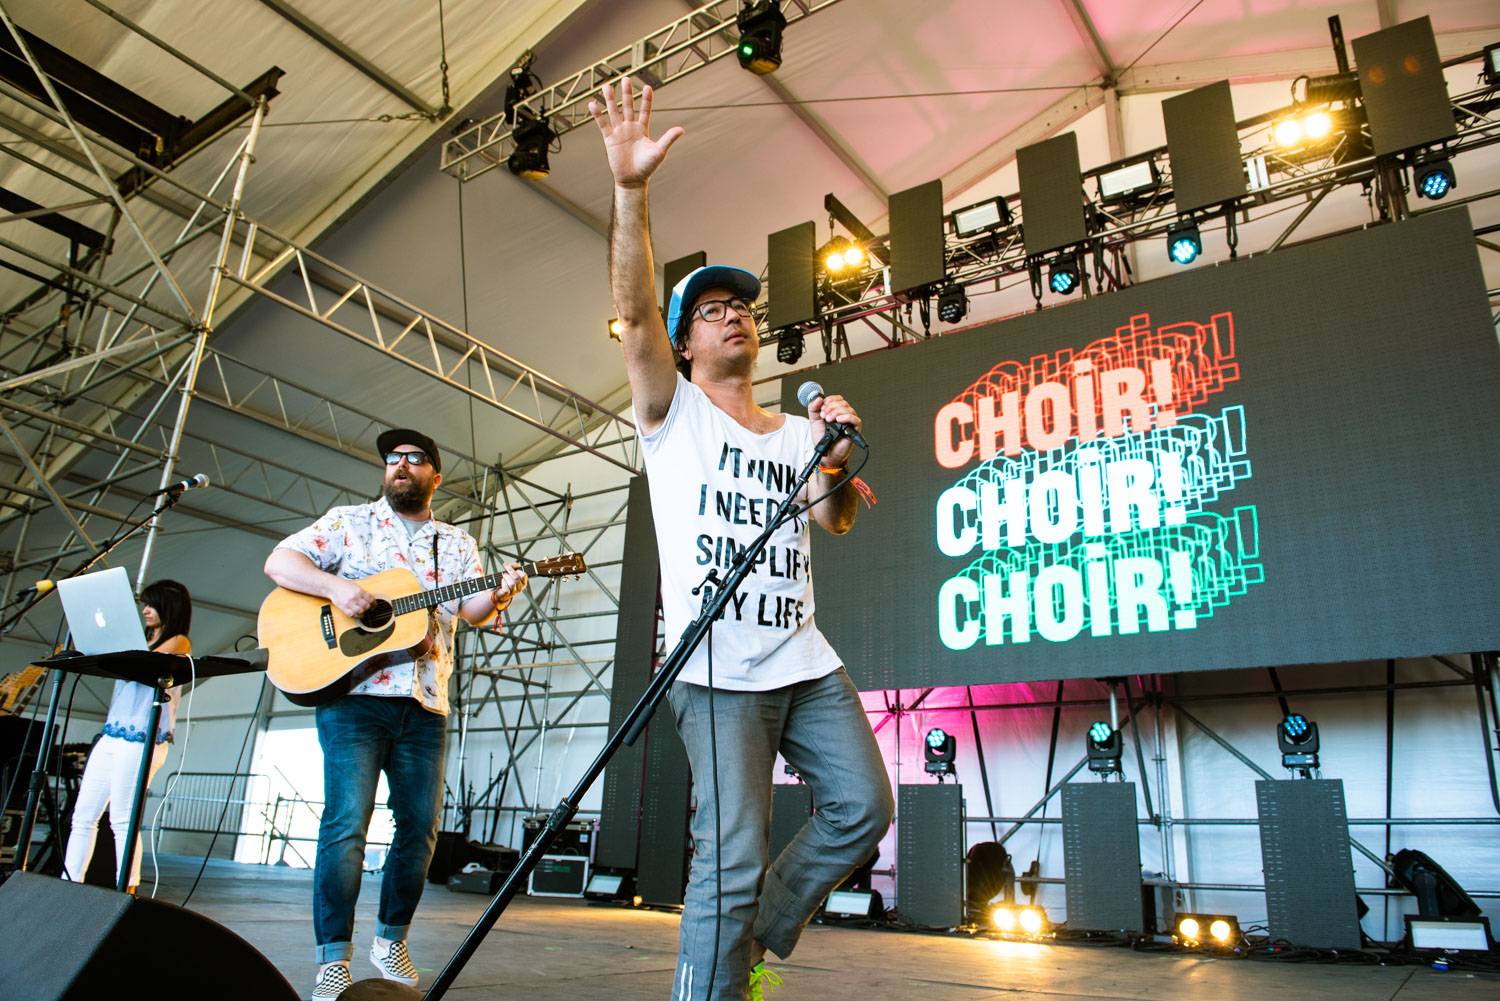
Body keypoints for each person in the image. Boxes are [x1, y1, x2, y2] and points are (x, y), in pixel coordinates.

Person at [589, 79, 895, 1000]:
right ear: (684, 345)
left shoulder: (800, 432)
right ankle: (715, 980)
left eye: (742, 306)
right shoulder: (671, 414)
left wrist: (837, 450)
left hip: (801, 657)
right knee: (727, 856)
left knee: (864, 808)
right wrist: (631, 191)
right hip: (716, 669)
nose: (733, 314)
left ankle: (753, 936)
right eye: (712, 309)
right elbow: (636, 313)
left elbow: (834, 518)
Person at [263, 429, 527, 1001]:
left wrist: (500, 594)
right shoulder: (348, 522)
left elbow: (472, 611)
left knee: (420, 831)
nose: (400, 465)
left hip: (425, 702)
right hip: (354, 698)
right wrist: (340, 590)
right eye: (392, 459)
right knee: (345, 826)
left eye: (413, 459)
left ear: (435, 475)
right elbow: (280, 563)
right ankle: (333, 958)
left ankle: (391, 939)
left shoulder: (456, 543)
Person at [63, 578, 192, 893]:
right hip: (113, 734)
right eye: (144, 605)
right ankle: (69, 883)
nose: (146, 611)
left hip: (144, 738)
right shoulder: (141, 639)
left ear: (169, 608)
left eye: (152, 605)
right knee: (83, 815)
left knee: (122, 820)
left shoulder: (179, 642)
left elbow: (145, 664)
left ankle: (128, 889)